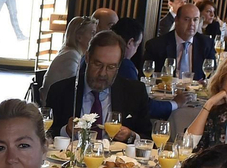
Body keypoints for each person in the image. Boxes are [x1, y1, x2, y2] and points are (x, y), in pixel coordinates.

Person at [47, 30, 175, 142]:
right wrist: (66, 130)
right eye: (98, 64)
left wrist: (130, 136)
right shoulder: (61, 91)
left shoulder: (135, 92)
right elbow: (45, 134)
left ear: (119, 66)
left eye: (111, 67)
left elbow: (147, 138)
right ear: (87, 58)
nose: (103, 73)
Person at [142, 3, 213, 80]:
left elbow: (212, 76)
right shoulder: (156, 45)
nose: (192, 24)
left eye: (195, 20)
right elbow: (146, 76)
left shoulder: (207, 44)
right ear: (176, 20)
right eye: (186, 19)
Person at [43, 16, 98, 99]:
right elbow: (72, 87)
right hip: (54, 102)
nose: (95, 38)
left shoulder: (71, 53)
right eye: (92, 33)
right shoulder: (71, 56)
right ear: (79, 37)